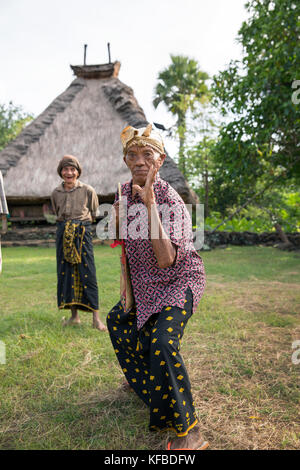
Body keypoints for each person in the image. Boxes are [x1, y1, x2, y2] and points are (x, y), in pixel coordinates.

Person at [106, 125, 208, 450]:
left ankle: (190, 431)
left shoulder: (170, 200)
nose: (139, 161)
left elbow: (166, 260)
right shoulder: (122, 192)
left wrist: (150, 204)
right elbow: (117, 242)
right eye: (132, 155)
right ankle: (149, 386)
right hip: (145, 286)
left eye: (146, 155)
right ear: (125, 160)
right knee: (118, 321)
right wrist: (117, 221)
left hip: (179, 283)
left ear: (160, 160)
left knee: (162, 340)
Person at [51, 155, 106, 332]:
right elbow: (56, 212)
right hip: (63, 232)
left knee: (87, 272)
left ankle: (96, 319)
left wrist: (77, 226)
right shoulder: (55, 193)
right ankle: (74, 317)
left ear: (77, 172)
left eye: (72, 169)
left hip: (82, 233)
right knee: (67, 272)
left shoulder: (88, 190)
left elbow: (93, 212)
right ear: (61, 172)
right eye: (65, 169)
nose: (69, 172)